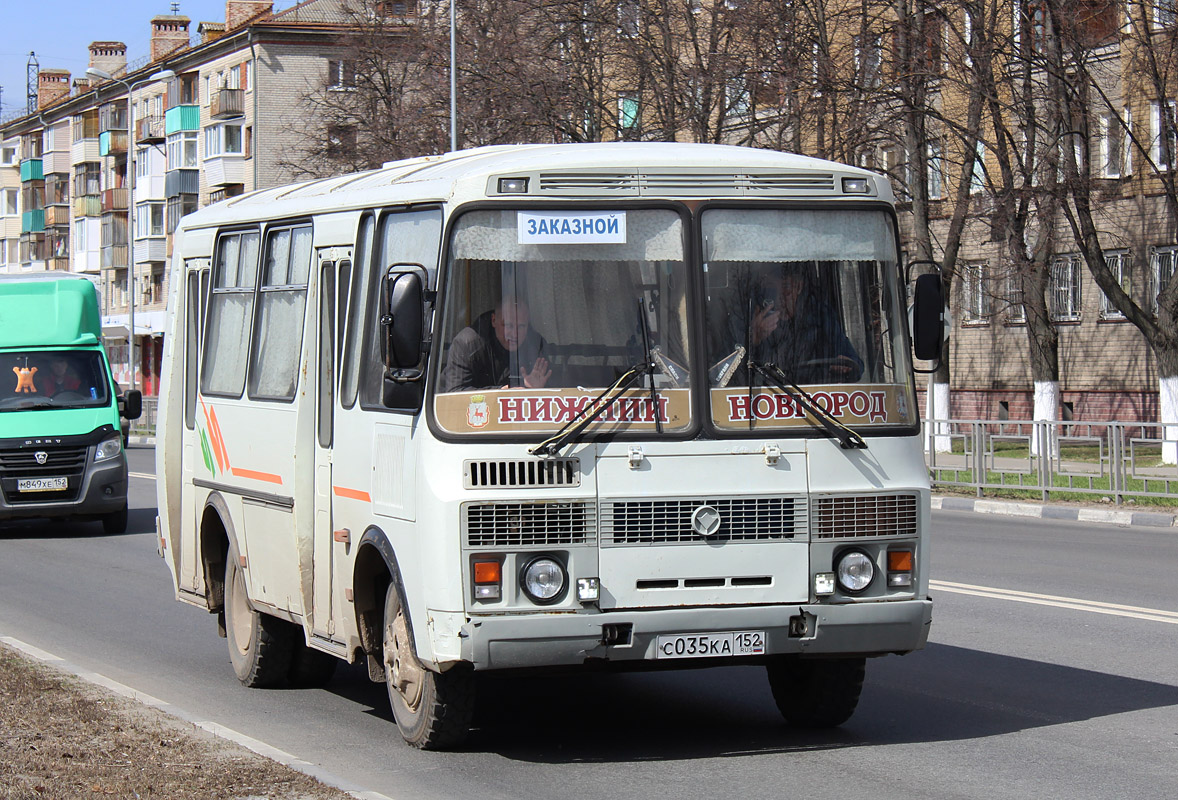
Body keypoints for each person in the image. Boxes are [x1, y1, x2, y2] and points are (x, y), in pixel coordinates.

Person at [747, 265, 863, 384]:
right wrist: (755, 338)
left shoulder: (821, 317)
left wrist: (846, 365)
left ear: (798, 287)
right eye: (771, 289)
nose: (779, 296)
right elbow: (733, 371)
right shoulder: (751, 319)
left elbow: (856, 364)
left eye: (786, 287)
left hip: (814, 397)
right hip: (769, 397)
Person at [440, 296, 551, 392]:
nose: (515, 334)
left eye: (521, 326)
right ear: (494, 320)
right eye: (508, 325)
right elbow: (454, 392)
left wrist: (534, 390)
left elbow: (556, 391)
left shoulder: (535, 345)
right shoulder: (467, 344)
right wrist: (500, 393)